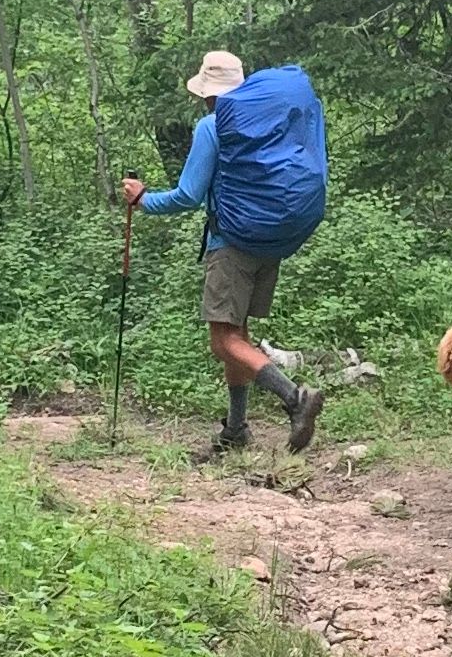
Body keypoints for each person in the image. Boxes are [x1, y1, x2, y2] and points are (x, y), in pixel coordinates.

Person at [122, 49, 328, 457]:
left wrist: (142, 199)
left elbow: (187, 196)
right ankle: (236, 429)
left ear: (208, 93)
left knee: (223, 340)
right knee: (239, 336)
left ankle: (294, 398)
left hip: (231, 244)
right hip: (270, 241)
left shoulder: (212, 127)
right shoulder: (271, 125)